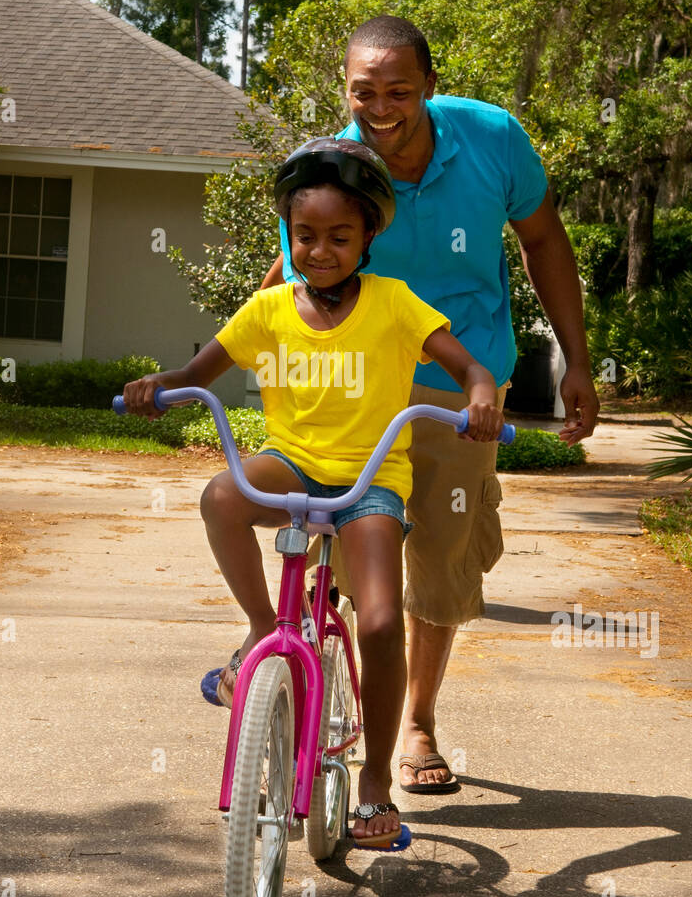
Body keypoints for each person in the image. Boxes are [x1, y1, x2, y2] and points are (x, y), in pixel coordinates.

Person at [123, 138, 506, 846]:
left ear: (367, 237)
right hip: (292, 464)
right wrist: (157, 386)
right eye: (305, 236)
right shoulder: (267, 311)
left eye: (338, 236)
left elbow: (466, 364)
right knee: (222, 496)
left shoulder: (394, 304)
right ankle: (263, 629)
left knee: (382, 623)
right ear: (288, 236)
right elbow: (195, 372)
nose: (320, 250)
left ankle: (374, 784)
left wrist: (481, 394)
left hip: (369, 484)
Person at [261, 16, 600, 795]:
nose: (379, 108)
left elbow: (543, 240)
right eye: (362, 92)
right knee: (348, 543)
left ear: (430, 87)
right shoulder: (326, 166)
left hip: (460, 383)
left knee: (441, 555)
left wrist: (575, 358)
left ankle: (416, 721)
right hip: (351, 385)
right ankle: (327, 685)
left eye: (398, 92)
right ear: (344, 90)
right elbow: (293, 286)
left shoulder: (492, 138)